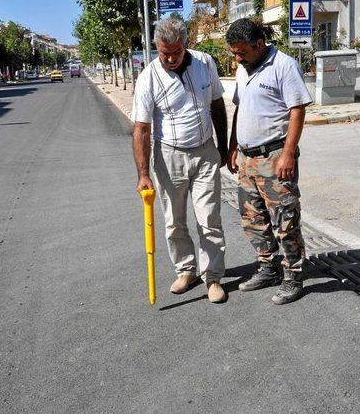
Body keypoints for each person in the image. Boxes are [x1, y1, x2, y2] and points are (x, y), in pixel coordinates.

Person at [131, 19, 229, 303]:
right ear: (156, 48)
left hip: (205, 152)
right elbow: (142, 128)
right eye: (164, 53)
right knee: (174, 221)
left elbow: (217, 104)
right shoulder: (148, 78)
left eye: (176, 51)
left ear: (186, 44)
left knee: (209, 218)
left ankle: (213, 277)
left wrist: (222, 146)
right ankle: (186, 270)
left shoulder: (204, 62)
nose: (171, 58)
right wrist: (143, 174)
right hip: (168, 156)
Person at [225, 18, 312, 305]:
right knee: (253, 218)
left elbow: (297, 110)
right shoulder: (243, 68)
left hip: (275, 157)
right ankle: (268, 268)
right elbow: (240, 109)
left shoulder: (284, 65)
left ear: (259, 44)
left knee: (285, 220)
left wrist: (288, 153)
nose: (237, 58)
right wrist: (234, 146)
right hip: (247, 159)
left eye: (241, 53)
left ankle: (293, 275)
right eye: (234, 53)